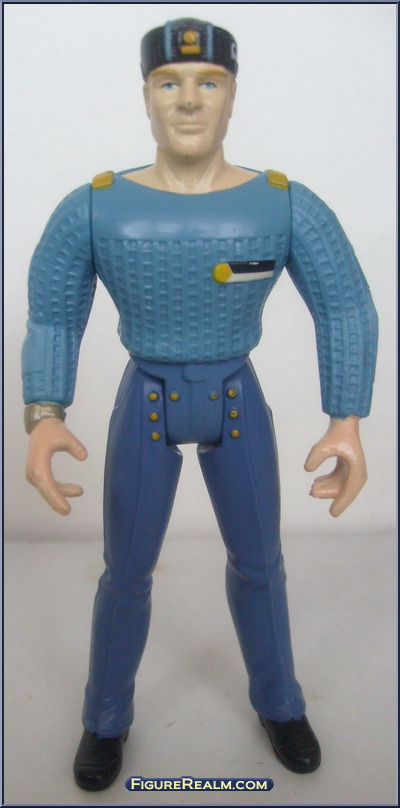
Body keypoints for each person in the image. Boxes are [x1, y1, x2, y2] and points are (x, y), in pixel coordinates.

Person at [22, 18, 378, 792]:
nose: (189, 100)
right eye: (169, 83)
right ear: (146, 96)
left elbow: (346, 305)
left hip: (235, 399)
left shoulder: (284, 205)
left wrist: (346, 416)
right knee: (126, 572)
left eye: (208, 82)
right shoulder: (96, 208)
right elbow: (53, 314)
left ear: (232, 95)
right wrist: (44, 415)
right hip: (145, 399)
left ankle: (280, 703)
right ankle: (105, 716)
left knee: (260, 564)